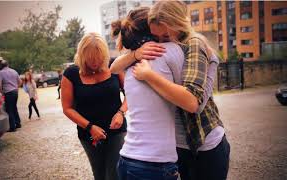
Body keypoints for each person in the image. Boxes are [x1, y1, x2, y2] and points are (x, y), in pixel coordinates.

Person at [110, 1, 230, 180]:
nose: (159, 42)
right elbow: (113, 68)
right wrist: (135, 54)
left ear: (178, 24)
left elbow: (193, 103)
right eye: (155, 36)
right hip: (180, 146)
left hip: (204, 143)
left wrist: (149, 76)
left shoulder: (193, 44)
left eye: (164, 36)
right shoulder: (166, 48)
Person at [111, 7, 184, 180]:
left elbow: (113, 68)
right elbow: (192, 96)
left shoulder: (129, 63)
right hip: (154, 164)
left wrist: (135, 54)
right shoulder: (170, 51)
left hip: (126, 159)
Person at [61, 32, 127, 180]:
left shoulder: (114, 66)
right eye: (91, 59)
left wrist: (121, 113)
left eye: (99, 58)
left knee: (115, 174)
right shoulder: (71, 73)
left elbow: (130, 94)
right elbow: (67, 108)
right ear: (82, 56)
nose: (96, 63)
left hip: (116, 130)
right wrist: (90, 127)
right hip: (88, 134)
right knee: (99, 174)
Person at [0, 60, 22, 132]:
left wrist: (2, 92)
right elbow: (20, 82)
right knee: (14, 107)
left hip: (8, 92)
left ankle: (12, 127)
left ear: (1, 66)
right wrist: (16, 88)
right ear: (8, 65)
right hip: (15, 92)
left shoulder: (1, 73)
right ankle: (18, 123)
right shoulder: (14, 71)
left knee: (9, 109)